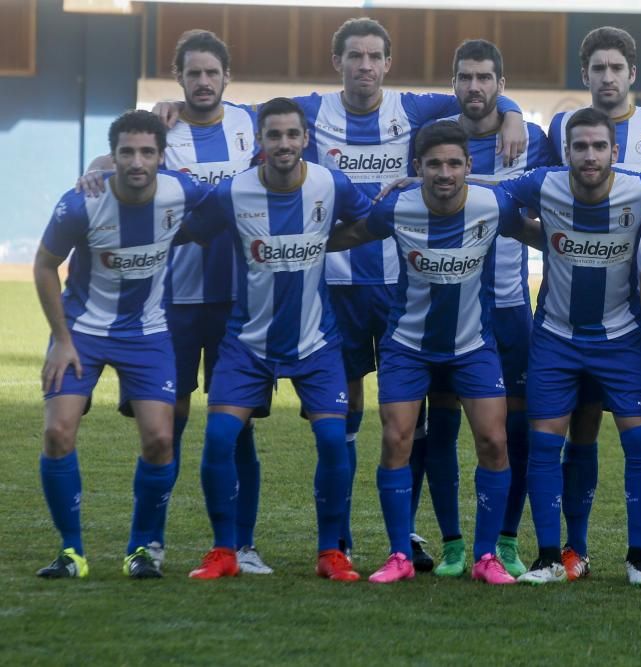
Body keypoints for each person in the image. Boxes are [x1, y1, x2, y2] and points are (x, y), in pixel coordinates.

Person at [155, 18, 528, 569]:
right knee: (351, 416)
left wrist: (514, 109)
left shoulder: (414, 109)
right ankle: (343, 539)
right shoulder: (310, 110)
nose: (365, 66)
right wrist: (171, 109)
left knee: (420, 417)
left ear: (387, 63)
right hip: (335, 287)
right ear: (339, 63)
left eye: (374, 56)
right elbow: (236, 113)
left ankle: (419, 537)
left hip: (398, 281)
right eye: (354, 56)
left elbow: (475, 96)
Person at [81, 30, 270, 574]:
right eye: (193, 74)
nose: (204, 82)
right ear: (179, 78)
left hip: (240, 301)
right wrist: (97, 165)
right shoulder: (160, 128)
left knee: (237, 426)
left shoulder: (250, 124)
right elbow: (112, 153)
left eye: (213, 72)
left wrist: (512, 111)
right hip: (172, 303)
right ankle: (148, 544)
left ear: (227, 76)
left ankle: (240, 544)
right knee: (168, 422)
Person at [328, 121, 534, 585]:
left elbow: (533, 232)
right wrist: (305, 243)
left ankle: (486, 558)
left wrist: (587, 249)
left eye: (454, 163)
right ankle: (399, 554)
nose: (445, 173)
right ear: (417, 167)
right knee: (397, 439)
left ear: (469, 166)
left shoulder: (493, 204)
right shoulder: (397, 208)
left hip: (473, 346)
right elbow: (355, 233)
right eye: (435, 164)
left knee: (495, 442)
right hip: (407, 347)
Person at [184, 98, 371, 582]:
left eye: (292, 134)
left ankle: (330, 551)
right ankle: (224, 550)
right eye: (274, 135)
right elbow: (187, 226)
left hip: (316, 341)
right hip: (248, 341)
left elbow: (367, 222)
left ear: (306, 138)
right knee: (220, 438)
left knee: (333, 439)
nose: (284, 144)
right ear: (260, 142)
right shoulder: (232, 192)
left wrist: (331, 240)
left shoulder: (331, 184)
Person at [501, 108, 641, 586]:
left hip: (623, 340)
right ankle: (548, 558)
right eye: (580, 146)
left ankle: (640, 558)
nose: (589, 155)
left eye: (599, 146)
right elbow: (489, 198)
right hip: (556, 339)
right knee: (544, 446)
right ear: (567, 151)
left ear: (615, 152)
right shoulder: (543, 184)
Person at [545, 26, 641, 581]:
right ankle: (573, 550)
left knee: (639, 433)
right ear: (585, 75)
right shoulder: (562, 128)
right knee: (580, 428)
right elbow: (540, 191)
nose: (607, 78)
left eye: (617, 68)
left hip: (636, 316)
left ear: (633, 73)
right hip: (571, 311)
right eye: (597, 69)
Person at [34, 110, 209, 579]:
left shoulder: (181, 191)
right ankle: (71, 551)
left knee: (160, 439)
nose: (137, 161)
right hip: (82, 332)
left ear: (161, 157)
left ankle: (140, 550)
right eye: (127, 152)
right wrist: (62, 341)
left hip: (147, 333)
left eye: (147, 152)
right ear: (112, 157)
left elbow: (237, 192)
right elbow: (45, 266)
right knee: (57, 432)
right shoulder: (81, 203)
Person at [426, 39, 560, 578]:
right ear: (453, 83)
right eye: (465, 77)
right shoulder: (436, 136)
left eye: (485, 78)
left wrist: (514, 117)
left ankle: (504, 540)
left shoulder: (533, 144)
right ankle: (454, 544)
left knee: (514, 432)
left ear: (501, 84)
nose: (474, 87)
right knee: (442, 429)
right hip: (445, 307)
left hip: (508, 308)